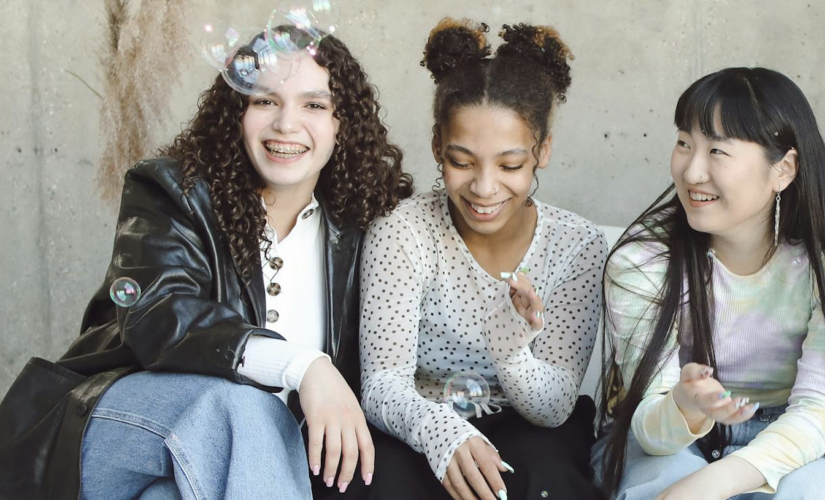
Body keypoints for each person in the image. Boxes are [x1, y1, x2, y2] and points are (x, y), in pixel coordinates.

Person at [0, 27, 412, 499]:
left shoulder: (363, 228)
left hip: (235, 472)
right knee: (239, 410)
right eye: (264, 101)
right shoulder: (170, 190)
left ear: (343, 123)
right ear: (237, 112)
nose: (286, 123)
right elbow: (160, 312)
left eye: (314, 105)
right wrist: (305, 365)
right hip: (119, 431)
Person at [593, 67, 825, 500]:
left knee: (814, 490)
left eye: (717, 150)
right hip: (672, 444)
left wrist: (710, 485)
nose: (692, 172)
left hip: (793, 438)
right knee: (666, 478)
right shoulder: (642, 261)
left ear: (783, 169)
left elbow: (817, 411)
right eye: (684, 143)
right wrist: (683, 404)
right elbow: (649, 429)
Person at [339, 18, 606, 500]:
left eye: (510, 165)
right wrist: (440, 431)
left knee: (547, 480)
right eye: (461, 162)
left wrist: (511, 351)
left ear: (542, 151)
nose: (484, 188)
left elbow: (555, 407)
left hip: (527, 425)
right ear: (437, 146)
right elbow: (381, 384)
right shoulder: (402, 231)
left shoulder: (577, 245)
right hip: (416, 421)